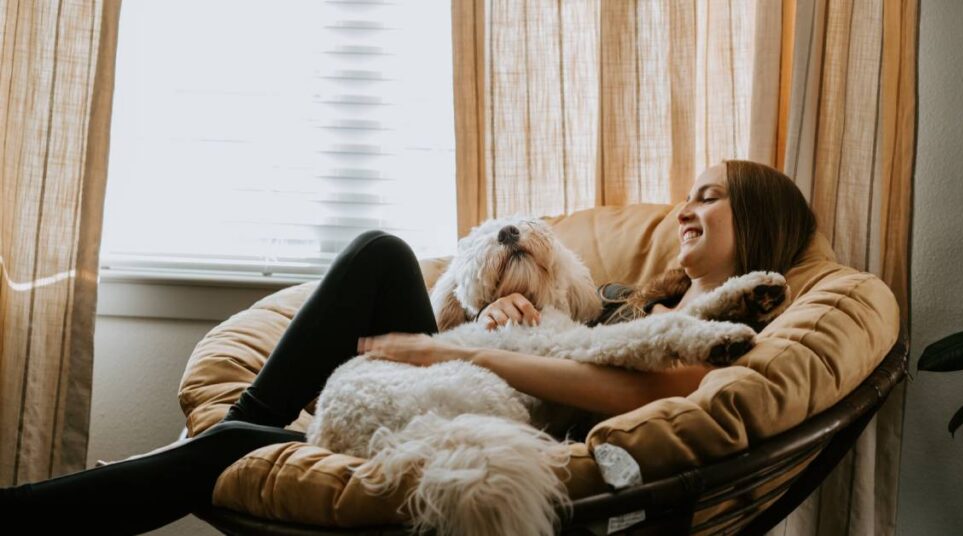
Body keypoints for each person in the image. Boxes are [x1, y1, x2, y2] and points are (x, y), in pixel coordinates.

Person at [0, 159, 817, 534]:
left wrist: (460, 354)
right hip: (453, 386)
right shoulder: (630, 293)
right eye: (687, 196)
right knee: (382, 255)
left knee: (236, 447)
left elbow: (634, 396)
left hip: (488, 406)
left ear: (760, 228)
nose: (685, 209)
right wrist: (487, 321)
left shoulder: (726, 325)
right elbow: (562, 330)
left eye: (709, 200)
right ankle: (227, 432)